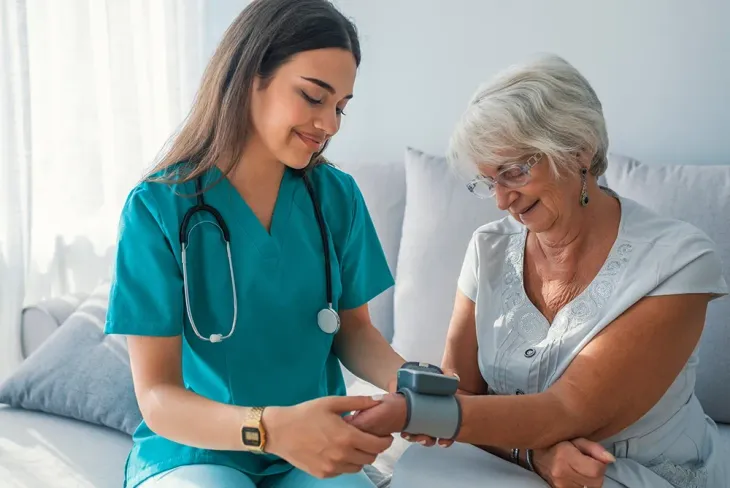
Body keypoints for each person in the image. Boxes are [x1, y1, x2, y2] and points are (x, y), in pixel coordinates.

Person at [348, 54, 730, 487]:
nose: (501, 200)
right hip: (510, 467)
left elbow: (568, 409)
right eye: (489, 181)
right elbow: (464, 394)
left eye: (513, 172)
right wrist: (532, 455)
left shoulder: (678, 261)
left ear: (580, 148)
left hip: (626, 475)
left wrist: (415, 411)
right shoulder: (489, 248)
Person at [104, 1, 410, 487]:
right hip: (197, 449)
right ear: (250, 76)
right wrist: (269, 428)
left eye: (340, 107)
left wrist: (411, 383)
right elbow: (157, 394)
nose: (329, 124)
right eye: (313, 96)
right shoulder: (157, 208)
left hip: (313, 447)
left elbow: (355, 332)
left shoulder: (337, 198)